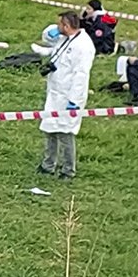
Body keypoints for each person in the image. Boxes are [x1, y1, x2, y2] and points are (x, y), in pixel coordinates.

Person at [37, 11, 95, 180]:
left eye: (60, 25)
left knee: (65, 132)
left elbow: (81, 75)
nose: (58, 27)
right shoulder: (64, 38)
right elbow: (48, 38)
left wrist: (74, 100)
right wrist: (51, 31)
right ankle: (48, 164)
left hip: (68, 95)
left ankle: (68, 169)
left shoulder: (83, 46)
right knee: (50, 129)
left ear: (67, 26)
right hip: (55, 92)